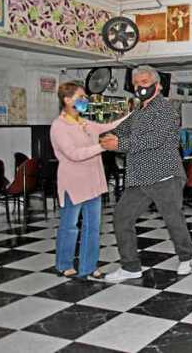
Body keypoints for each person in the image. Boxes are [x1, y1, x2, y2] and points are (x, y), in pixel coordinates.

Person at [100, 68, 192, 281]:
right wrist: (106, 135)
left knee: (173, 219)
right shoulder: (139, 111)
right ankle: (130, 267)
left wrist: (119, 144)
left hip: (164, 175)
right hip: (139, 178)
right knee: (122, 218)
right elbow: (121, 130)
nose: (139, 86)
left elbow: (154, 140)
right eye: (136, 83)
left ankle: (186, 256)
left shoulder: (166, 109)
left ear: (158, 85)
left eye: (144, 81)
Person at [50, 82, 126, 279]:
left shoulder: (84, 123)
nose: (85, 100)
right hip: (73, 184)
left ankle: (88, 266)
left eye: (85, 97)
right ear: (67, 100)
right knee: (70, 226)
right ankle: (63, 264)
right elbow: (74, 154)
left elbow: (109, 126)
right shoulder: (59, 126)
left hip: (94, 182)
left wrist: (133, 114)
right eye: (81, 97)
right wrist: (103, 147)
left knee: (93, 226)